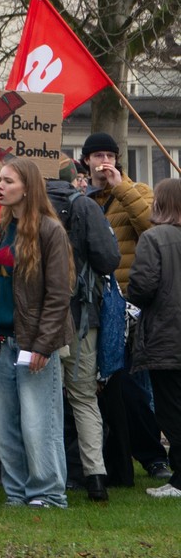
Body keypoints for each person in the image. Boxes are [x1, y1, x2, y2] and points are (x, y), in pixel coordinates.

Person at [84, 131, 170, 483]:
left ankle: (152, 457)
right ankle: (117, 458)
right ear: (86, 161)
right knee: (108, 386)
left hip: (129, 305)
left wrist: (121, 188)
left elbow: (152, 226)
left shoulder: (137, 191)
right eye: (97, 155)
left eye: (110, 155)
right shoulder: (81, 197)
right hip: (95, 304)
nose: (104, 161)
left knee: (132, 387)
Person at [0, 158, 75, 508]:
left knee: (39, 422)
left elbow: (59, 294)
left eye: (8, 181)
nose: (0, 186)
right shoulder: (5, 226)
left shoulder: (50, 230)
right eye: (0, 181)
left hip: (33, 341)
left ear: (27, 187)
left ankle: (48, 494)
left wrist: (42, 345)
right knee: (4, 425)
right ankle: (17, 493)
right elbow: (8, 286)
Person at [45, 158, 121, 501]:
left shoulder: (31, 206)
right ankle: (96, 479)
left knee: (43, 400)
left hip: (40, 317)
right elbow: (108, 259)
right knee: (84, 398)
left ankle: (48, 475)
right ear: (74, 179)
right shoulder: (86, 207)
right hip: (81, 317)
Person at [128, 178, 181, 498]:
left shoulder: (154, 238)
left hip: (167, 335)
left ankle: (179, 480)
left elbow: (141, 288)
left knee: (172, 409)